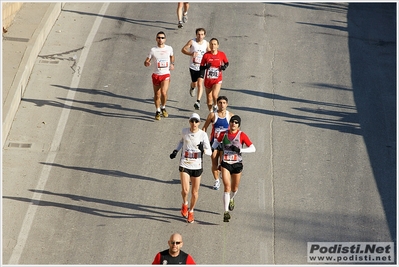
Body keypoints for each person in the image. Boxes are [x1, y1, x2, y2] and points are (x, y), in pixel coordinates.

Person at [211, 115, 256, 222]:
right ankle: (226, 212)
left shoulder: (242, 135)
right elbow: (216, 142)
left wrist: (240, 150)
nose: (233, 124)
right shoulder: (223, 134)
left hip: (237, 164)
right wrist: (212, 148)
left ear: (238, 126)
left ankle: (231, 198)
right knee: (227, 187)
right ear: (229, 123)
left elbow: (253, 148)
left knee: (234, 188)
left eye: (236, 122)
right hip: (225, 163)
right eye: (232, 122)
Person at [170, 113, 212, 223]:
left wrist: (203, 150)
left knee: (194, 192)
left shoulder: (203, 135)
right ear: (189, 122)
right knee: (185, 190)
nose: (194, 123)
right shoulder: (185, 131)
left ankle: (191, 211)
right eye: (192, 121)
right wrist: (175, 151)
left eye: (196, 121)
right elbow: (181, 142)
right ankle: (185, 204)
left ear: (199, 123)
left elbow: (210, 151)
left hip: (197, 166)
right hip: (185, 163)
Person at [202, 96, 233, 190]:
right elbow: (204, 128)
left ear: (227, 104)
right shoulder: (212, 115)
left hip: (225, 143)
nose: (222, 105)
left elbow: (236, 130)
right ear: (217, 104)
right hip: (214, 143)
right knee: (214, 162)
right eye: (220, 103)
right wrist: (204, 141)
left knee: (223, 163)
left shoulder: (230, 115)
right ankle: (216, 181)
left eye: (224, 103)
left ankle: (222, 174)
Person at [144, 31, 175, 121]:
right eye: (159, 37)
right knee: (157, 95)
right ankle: (157, 110)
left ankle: (163, 107)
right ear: (156, 39)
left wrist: (172, 63)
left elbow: (172, 57)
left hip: (165, 74)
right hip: (156, 75)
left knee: (164, 93)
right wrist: (147, 63)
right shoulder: (153, 50)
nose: (160, 39)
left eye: (162, 38)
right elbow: (146, 61)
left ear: (165, 39)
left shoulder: (169, 48)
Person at [181, 28, 210, 110]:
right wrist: (191, 54)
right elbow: (183, 50)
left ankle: (198, 101)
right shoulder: (192, 42)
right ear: (196, 34)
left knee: (200, 83)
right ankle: (192, 87)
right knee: (195, 83)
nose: (200, 36)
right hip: (193, 66)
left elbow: (211, 53)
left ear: (204, 35)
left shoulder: (206, 44)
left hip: (202, 66)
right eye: (198, 34)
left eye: (202, 34)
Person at [199, 38, 229, 112]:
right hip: (208, 79)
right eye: (211, 44)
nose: (213, 46)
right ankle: (211, 112)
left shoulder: (221, 54)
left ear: (218, 46)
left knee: (215, 95)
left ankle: (215, 106)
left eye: (215, 44)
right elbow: (201, 67)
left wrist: (224, 67)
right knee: (209, 99)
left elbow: (226, 62)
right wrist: (206, 67)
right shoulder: (206, 55)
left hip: (217, 79)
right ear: (209, 45)